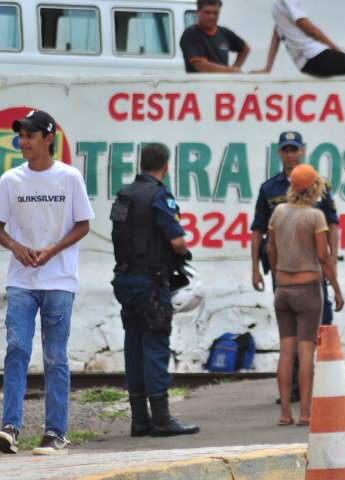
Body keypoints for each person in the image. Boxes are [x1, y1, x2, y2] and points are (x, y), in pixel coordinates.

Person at [0, 110, 94, 455]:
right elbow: (0, 228)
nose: (23, 142)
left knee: (55, 356)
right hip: (21, 279)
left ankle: (56, 432)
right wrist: (16, 247)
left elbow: (83, 224)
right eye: (21, 136)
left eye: (30, 136)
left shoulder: (69, 178)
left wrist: (54, 250)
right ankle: (9, 427)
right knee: (17, 350)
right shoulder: (10, 180)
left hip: (59, 280)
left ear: (49, 138)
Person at [111, 144, 200, 438]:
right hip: (150, 282)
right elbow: (176, 240)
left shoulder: (125, 193)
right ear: (166, 166)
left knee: (134, 346)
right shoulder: (159, 195)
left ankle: (139, 420)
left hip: (125, 280)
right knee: (155, 346)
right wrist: (183, 255)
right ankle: (162, 420)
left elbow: (119, 233)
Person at [251, 131, 339, 404]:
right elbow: (258, 232)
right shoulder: (269, 189)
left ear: (302, 151)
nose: (290, 154)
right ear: (279, 152)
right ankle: (294, 391)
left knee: (317, 326)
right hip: (283, 271)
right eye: (286, 149)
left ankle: (311, 385)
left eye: (295, 149)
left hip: (313, 268)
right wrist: (255, 268)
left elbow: (333, 224)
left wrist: (332, 260)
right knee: (290, 334)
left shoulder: (319, 185)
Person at [268, 164, 344, 426]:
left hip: (283, 289)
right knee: (306, 352)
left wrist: (278, 275)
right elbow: (323, 256)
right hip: (308, 289)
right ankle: (306, 413)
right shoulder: (315, 217)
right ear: (314, 189)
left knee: (286, 352)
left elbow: (270, 248)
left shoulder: (278, 212)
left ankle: (285, 412)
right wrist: (336, 287)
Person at [255, 0, 345, 76]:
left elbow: (277, 33)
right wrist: (336, 49)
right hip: (315, 57)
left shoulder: (276, 6)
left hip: (305, 65)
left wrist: (268, 68)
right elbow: (309, 28)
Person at [180, 0, 250, 73]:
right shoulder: (191, 34)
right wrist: (231, 71)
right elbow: (201, 66)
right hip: (200, 83)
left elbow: (245, 49)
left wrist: (236, 66)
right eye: (207, 12)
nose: (212, 17)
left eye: (215, 13)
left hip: (223, 82)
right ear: (198, 12)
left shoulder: (225, 32)